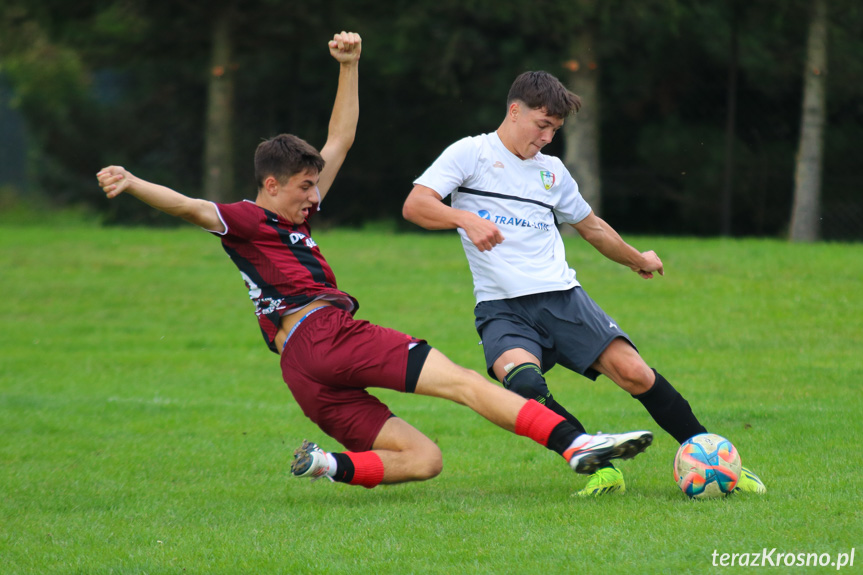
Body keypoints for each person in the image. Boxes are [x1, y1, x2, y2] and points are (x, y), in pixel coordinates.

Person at [96, 34, 653, 490]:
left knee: (423, 458)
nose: (316, 197)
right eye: (306, 188)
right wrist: (134, 181)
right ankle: (574, 443)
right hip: (328, 333)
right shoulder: (247, 219)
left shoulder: (296, 219)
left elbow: (340, 137)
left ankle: (323, 464)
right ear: (270, 185)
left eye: (316, 187)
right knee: (461, 381)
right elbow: (192, 207)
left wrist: (350, 65)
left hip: (302, 371)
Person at [403, 70, 766, 496]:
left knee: (635, 374)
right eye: (542, 125)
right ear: (514, 111)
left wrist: (637, 259)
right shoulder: (471, 154)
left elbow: (592, 227)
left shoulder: (552, 172)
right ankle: (600, 466)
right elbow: (416, 205)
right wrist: (464, 217)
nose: (547, 138)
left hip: (561, 299)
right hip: (501, 308)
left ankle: (714, 459)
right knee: (523, 385)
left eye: (555, 130)